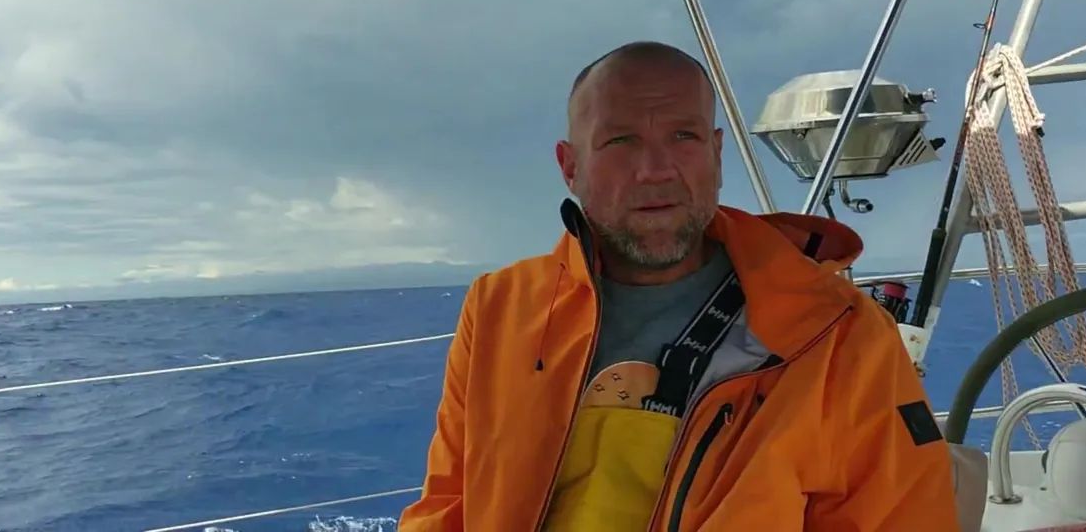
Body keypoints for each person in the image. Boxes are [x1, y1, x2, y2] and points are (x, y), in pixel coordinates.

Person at [398, 41, 962, 531]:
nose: (656, 169)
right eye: (620, 141)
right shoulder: (499, 308)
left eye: (683, 136)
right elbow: (449, 504)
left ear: (717, 154)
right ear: (570, 167)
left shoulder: (839, 334)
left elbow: (900, 517)